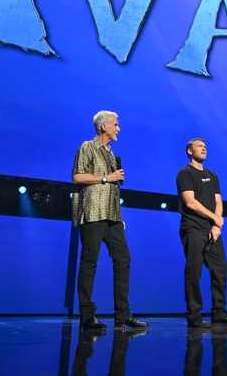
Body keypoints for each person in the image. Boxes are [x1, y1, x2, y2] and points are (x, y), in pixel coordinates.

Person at [71, 111, 148, 332]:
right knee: (90, 262)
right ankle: (87, 316)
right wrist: (107, 177)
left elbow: (114, 191)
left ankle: (123, 315)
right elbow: (77, 176)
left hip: (112, 217)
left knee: (123, 259)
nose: (118, 128)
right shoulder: (87, 147)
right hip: (93, 214)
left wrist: (119, 217)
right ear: (104, 126)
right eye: (115, 124)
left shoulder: (111, 153)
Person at [176, 138, 227, 328]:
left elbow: (218, 202)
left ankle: (219, 313)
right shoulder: (185, 173)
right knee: (194, 271)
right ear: (190, 151)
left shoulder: (212, 175)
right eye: (199, 146)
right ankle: (194, 315)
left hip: (212, 229)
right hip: (192, 227)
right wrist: (215, 218)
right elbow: (190, 202)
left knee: (220, 270)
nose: (204, 148)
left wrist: (216, 225)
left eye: (205, 146)